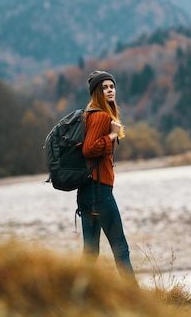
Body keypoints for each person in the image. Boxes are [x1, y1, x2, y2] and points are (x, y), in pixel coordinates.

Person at [77, 70, 137, 285]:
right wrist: (111, 135)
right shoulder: (100, 116)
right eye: (104, 87)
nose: (110, 90)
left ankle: (79, 296)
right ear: (96, 92)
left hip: (87, 191)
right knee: (121, 248)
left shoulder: (90, 115)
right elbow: (89, 149)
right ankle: (136, 300)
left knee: (90, 252)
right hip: (99, 191)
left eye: (112, 86)